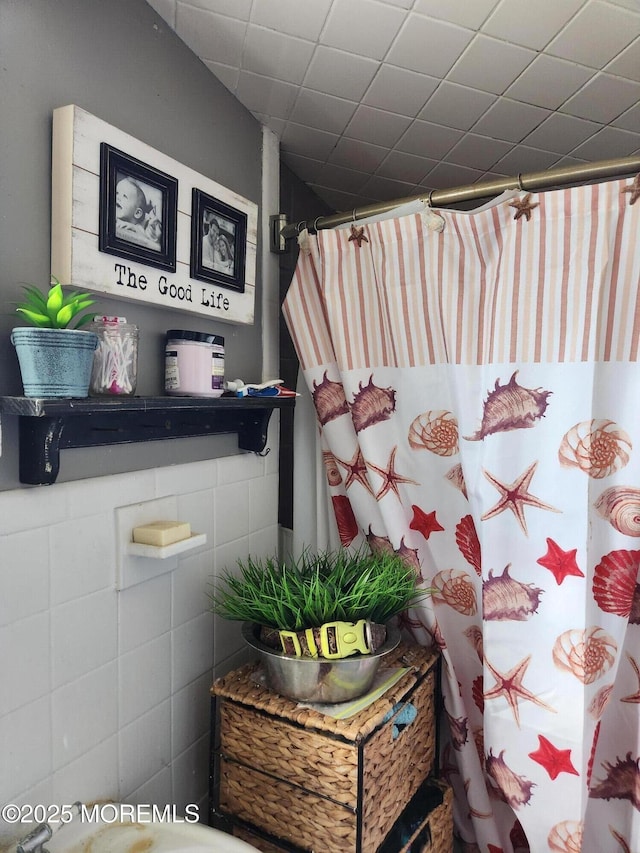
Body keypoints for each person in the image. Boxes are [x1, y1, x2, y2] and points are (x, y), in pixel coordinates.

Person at [115, 176, 161, 250]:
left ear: (137, 213)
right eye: (117, 193)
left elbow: (147, 238)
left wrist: (135, 228)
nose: (117, 197)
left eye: (124, 196)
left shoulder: (139, 228)